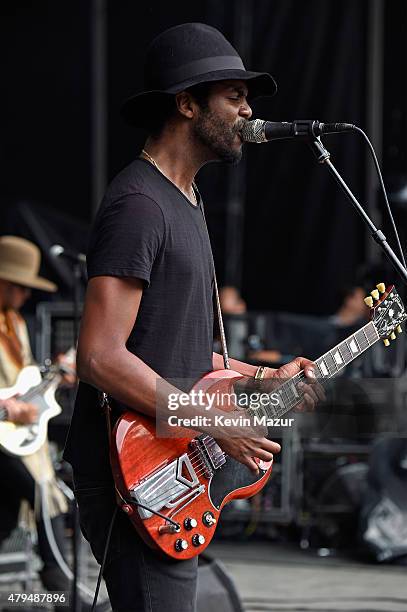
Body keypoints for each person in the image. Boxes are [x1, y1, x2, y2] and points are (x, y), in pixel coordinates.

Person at [63, 23, 323, 612]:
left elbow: (170, 349)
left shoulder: (187, 202)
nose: (248, 110)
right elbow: (100, 356)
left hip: (167, 454)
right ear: (186, 103)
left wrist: (258, 379)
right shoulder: (139, 204)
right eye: (234, 95)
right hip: (134, 466)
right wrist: (215, 420)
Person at [0, 235, 71, 591]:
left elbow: (24, 379)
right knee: (41, 494)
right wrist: (6, 407)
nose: (26, 295)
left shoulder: (17, 324)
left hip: (19, 438)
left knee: (11, 507)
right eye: (19, 287)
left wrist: (55, 379)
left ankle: (60, 584)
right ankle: (60, 584)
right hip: (4, 433)